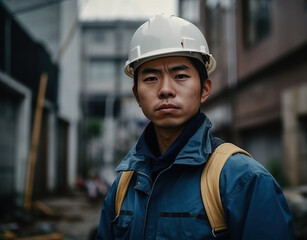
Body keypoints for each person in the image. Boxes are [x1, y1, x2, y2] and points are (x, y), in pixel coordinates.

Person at [96, 14, 295, 239]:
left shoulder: (244, 181)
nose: (165, 90)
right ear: (137, 96)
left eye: (180, 76)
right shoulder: (124, 187)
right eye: (151, 78)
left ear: (205, 89)